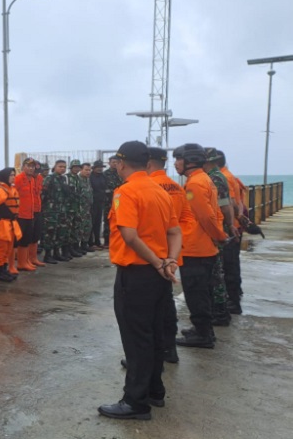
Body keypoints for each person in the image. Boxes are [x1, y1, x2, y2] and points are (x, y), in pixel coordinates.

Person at [98, 141, 181, 421]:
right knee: (156, 335)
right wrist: (169, 261)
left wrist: (159, 262)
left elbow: (130, 236)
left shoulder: (125, 192)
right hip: (158, 276)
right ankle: (155, 391)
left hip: (136, 274)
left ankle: (135, 401)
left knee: (136, 339)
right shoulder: (161, 192)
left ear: (121, 163)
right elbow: (174, 232)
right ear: (147, 164)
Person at [172, 143, 227, 349]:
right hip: (204, 246)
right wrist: (219, 235)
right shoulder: (205, 180)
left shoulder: (194, 184)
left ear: (190, 161)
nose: (175, 163)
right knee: (203, 291)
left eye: (178, 159)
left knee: (196, 292)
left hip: (196, 246)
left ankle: (203, 334)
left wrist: (218, 235)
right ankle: (203, 329)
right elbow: (216, 213)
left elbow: (205, 216)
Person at [147, 147, 195, 364]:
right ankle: (169, 350)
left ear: (147, 162)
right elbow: (185, 220)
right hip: (172, 255)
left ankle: (152, 354)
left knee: (148, 310)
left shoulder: (147, 187)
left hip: (151, 257)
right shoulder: (177, 187)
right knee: (166, 303)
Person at [203, 148, 236, 327]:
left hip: (215, 229)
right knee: (217, 270)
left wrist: (228, 226)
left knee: (216, 272)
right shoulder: (218, 176)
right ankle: (220, 310)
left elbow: (224, 205)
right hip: (219, 227)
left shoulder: (214, 178)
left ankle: (220, 312)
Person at [216, 151, 246, 314]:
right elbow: (239, 203)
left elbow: (232, 202)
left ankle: (233, 302)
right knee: (232, 264)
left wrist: (231, 222)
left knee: (228, 266)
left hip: (228, 228)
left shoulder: (223, 178)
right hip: (234, 225)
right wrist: (239, 218)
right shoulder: (229, 175)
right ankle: (235, 295)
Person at [0, 168, 21, 282]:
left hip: (10, 223)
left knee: (8, 249)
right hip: (1, 223)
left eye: (14, 175)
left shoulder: (11, 189)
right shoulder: (0, 190)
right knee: (1, 249)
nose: (13, 177)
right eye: (11, 175)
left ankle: (4, 270)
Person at [42, 160, 69, 264]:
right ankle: (47, 255)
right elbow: (43, 194)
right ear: (55, 167)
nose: (62, 168)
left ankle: (57, 253)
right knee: (50, 233)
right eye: (60, 166)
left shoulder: (63, 179)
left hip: (61, 210)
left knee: (60, 232)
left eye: (64, 167)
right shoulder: (50, 178)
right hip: (51, 211)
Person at [14, 159, 38, 271]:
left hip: (30, 215)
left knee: (27, 239)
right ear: (23, 167)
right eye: (28, 166)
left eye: (33, 166)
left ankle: (25, 261)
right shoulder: (18, 179)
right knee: (21, 239)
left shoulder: (32, 180)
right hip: (20, 215)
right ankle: (20, 262)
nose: (31, 168)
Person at [64, 160, 84, 259]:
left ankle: (73, 248)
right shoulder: (66, 178)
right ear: (71, 167)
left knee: (75, 228)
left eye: (78, 167)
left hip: (76, 207)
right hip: (68, 208)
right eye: (75, 167)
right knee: (67, 229)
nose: (76, 169)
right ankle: (66, 250)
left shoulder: (78, 178)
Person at [103, 155, 123, 248]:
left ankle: (118, 240)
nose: (115, 164)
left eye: (116, 162)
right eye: (113, 162)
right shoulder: (105, 174)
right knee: (108, 220)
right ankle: (107, 241)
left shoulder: (120, 173)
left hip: (119, 200)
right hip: (108, 200)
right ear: (109, 163)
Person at [89, 160, 107, 248]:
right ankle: (90, 242)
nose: (100, 169)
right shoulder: (90, 177)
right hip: (92, 202)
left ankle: (97, 241)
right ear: (94, 168)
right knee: (91, 222)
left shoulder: (103, 176)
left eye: (101, 167)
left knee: (98, 222)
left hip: (100, 202)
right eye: (98, 167)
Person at [78, 163, 95, 253]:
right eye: (86, 170)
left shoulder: (87, 180)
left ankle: (84, 245)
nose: (88, 172)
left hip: (87, 208)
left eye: (89, 170)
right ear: (81, 170)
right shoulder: (78, 180)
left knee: (88, 227)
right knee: (79, 228)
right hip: (80, 208)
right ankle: (77, 246)